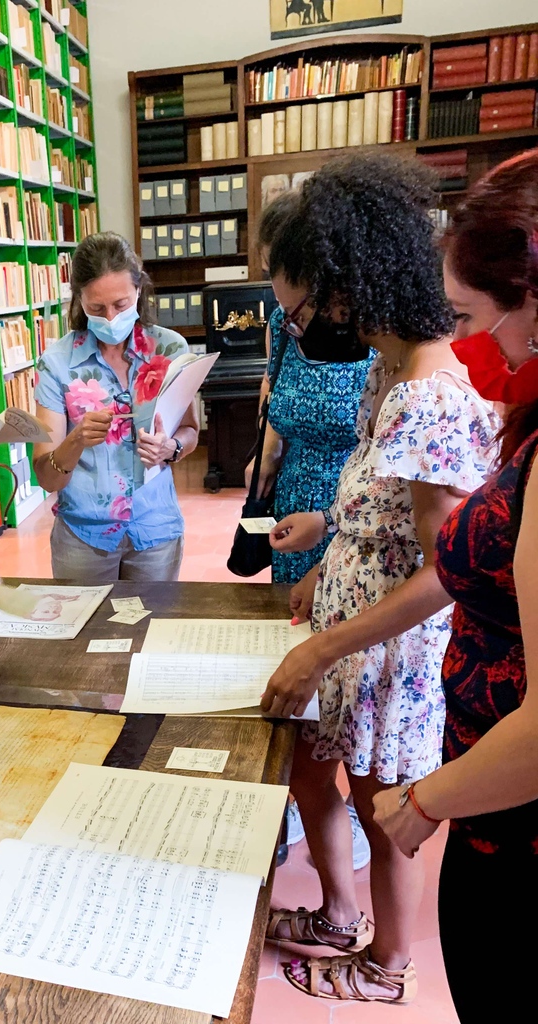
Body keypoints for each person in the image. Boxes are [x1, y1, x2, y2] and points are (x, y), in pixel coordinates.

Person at [258, 155, 499, 1003]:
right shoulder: (386, 375)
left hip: (388, 657)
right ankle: (336, 913)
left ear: (346, 287)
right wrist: (326, 550)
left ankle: (388, 965)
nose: (297, 329)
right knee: (314, 773)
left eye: (299, 309)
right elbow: (381, 509)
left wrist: (325, 643)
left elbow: (447, 571)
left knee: (382, 809)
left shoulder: (430, 396)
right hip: (352, 638)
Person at [373, 149, 538, 1023]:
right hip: (493, 809)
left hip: (515, 831)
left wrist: (423, 801)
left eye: (485, 316)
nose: (487, 346)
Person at [251, 189, 373, 870]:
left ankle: (344, 804)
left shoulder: (366, 339)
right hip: (299, 500)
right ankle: (302, 795)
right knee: (294, 649)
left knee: (344, 671)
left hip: (354, 507)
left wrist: (334, 519)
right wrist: (263, 464)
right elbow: (275, 400)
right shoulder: (284, 323)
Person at [33, 232, 199, 583]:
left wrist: (171, 448)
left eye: (121, 305)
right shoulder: (57, 363)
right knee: (83, 634)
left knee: (154, 630)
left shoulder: (170, 349)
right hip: (83, 535)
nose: (110, 318)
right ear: (79, 300)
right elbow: (45, 476)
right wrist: (75, 440)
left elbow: (190, 432)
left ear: (139, 290)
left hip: (155, 527)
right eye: (96, 308)